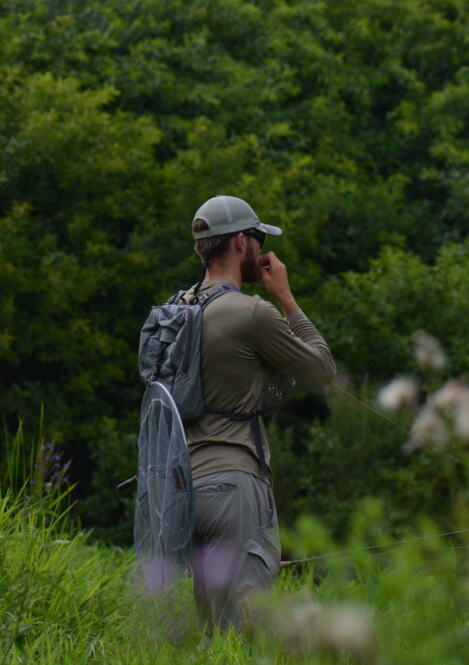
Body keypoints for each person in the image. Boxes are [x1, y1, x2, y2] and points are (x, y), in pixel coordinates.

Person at [182, 195, 336, 629]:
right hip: (236, 487)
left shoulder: (175, 309)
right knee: (249, 630)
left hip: (182, 491)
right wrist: (286, 298)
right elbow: (321, 370)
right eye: (257, 237)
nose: (262, 246)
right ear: (239, 243)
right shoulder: (252, 313)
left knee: (213, 632)